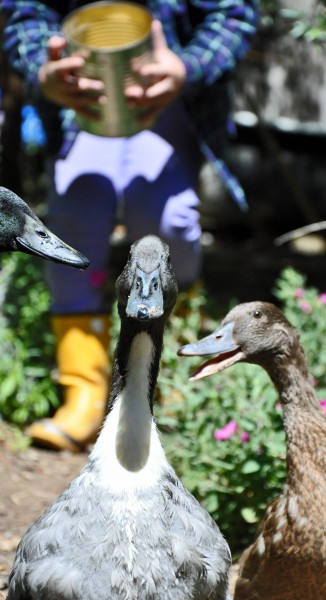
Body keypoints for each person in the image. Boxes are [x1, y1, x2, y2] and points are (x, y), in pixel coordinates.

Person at [1, 0, 259, 452]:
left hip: (174, 97)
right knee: (73, 217)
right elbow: (26, 12)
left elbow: (234, 13)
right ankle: (84, 391)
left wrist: (186, 68)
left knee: (167, 220)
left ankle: (168, 377)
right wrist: (43, 69)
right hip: (79, 103)